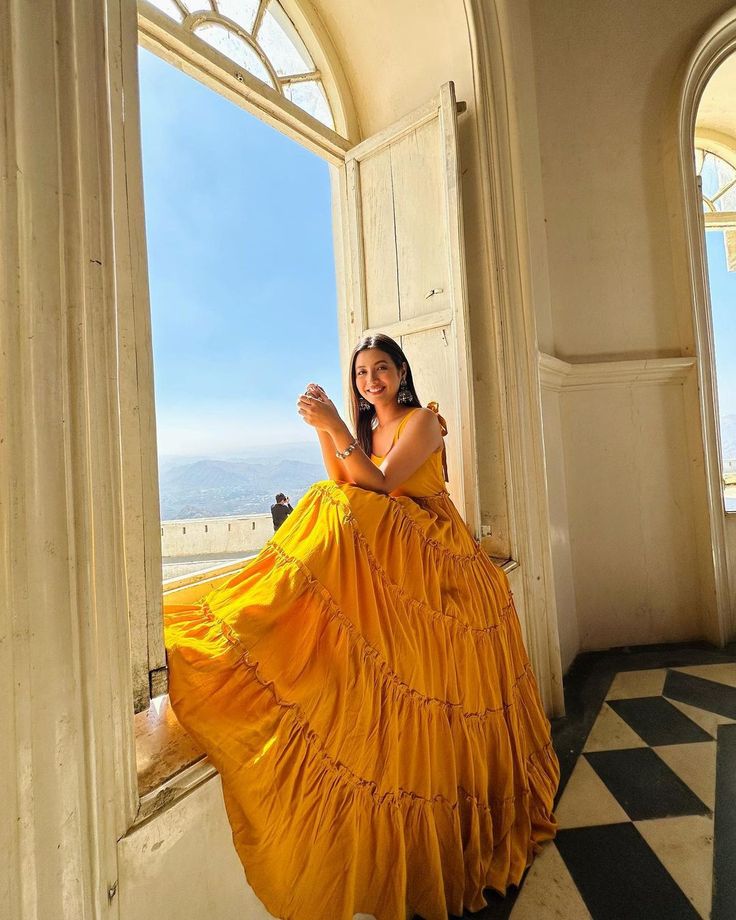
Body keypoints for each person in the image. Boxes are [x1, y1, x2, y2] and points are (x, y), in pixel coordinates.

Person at [165, 333, 559, 920]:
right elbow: (346, 482)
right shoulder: (366, 431)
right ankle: (257, 624)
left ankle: (262, 618)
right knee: (329, 498)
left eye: (380, 369)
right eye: (361, 373)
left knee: (338, 504)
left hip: (440, 558)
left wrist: (335, 426)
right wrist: (326, 430)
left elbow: (379, 486)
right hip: (402, 556)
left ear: (401, 373)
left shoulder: (423, 423)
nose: (370, 380)